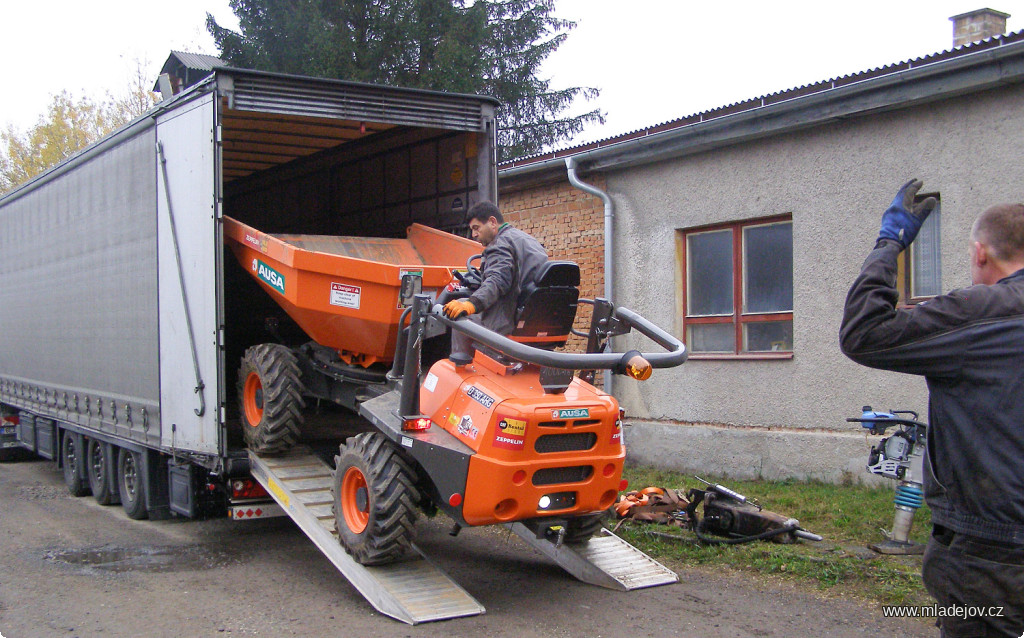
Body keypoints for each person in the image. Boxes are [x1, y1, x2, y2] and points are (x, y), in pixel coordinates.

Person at [840, 179, 1024, 637]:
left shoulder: (980, 312)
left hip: (992, 557)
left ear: (981, 253)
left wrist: (890, 243)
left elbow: (864, 332)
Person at [443, 201, 548, 355]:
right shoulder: (528, 240)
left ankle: (461, 368)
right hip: (533, 321)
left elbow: (497, 280)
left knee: (460, 315)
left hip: (505, 322)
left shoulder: (499, 245)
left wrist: (472, 303)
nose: (474, 235)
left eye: (476, 228)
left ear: (492, 222)